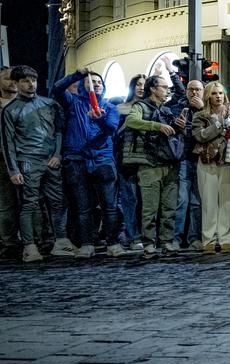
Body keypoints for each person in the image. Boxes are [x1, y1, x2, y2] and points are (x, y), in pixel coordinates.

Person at [1, 66, 76, 262]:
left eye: (33, 80)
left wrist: (57, 155)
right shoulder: (10, 110)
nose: (31, 84)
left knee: (58, 202)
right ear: (17, 83)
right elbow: (7, 141)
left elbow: (59, 131)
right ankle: (29, 246)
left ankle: (61, 242)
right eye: (25, 80)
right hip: (27, 161)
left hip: (51, 161)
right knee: (29, 204)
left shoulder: (49, 104)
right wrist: (13, 169)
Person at [52, 68, 123, 258]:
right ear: (83, 87)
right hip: (77, 160)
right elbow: (57, 89)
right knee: (83, 207)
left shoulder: (109, 107)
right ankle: (86, 243)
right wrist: (77, 75)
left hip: (103, 160)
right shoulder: (73, 102)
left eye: (99, 82)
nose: (96, 85)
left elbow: (111, 129)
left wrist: (99, 121)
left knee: (109, 205)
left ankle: (113, 243)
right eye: (91, 82)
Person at [122, 75, 186, 255]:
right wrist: (156, 126)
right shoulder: (140, 107)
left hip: (170, 165)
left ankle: (167, 241)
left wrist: (180, 126)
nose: (167, 91)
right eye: (164, 87)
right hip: (149, 165)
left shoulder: (166, 110)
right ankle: (149, 243)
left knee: (169, 208)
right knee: (150, 209)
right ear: (153, 89)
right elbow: (131, 121)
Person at [192, 82, 230, 252]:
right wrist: (219, 125)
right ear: (208, 96)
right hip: (207, 163)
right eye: (214, 93)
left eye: (220, 93)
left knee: (227, 202)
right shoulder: (200, 116)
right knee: (209, 202)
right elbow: (201, 136)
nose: (218, 96)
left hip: (228, 162)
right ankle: (209, 240)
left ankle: (226, 239)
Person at [172, 79, 204, 251]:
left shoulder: (206, 109)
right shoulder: (178, 108)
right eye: (191, 89)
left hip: (200, 160)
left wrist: (201, 109)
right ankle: (176, 238)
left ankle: (194, 238)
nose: (194, 93)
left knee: (196, 202)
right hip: (184, 159)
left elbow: (209, 130)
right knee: (182, 200)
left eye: (198, 89)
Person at [115, 74, 146, 250]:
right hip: (125, 160)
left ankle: (143, 234)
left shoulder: (149, 107)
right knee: (129, 199)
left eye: (144, 84)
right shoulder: (120, 108)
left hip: (147, 158)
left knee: (145, 201)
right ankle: (133, 235)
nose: (141, 87)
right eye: (138, 84)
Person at [0, 67, 20, 256]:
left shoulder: (29, 103)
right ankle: (10, 242)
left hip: (27, 157)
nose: (12, 82)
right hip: (2, 160)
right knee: (6, 204)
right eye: (7, 79)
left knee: (33, 201)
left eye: (15, 78)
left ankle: (40, 239)